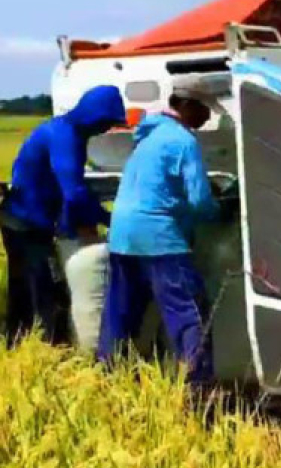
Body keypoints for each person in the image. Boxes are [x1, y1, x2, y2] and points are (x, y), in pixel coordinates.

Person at [96, 78, 225, 386]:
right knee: (190, 314)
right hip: (159, 238)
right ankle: (198, 389)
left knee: (121, 313)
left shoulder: (147, 137)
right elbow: (199, 200)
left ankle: (106, 379)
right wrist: (220, 210)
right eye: (205, 110)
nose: (208, 117)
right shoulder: (183, 141)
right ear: (187, 106)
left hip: (122, 236)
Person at [1, 85, 124, 346]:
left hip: (29, 220)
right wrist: (109, 220)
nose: (107, 129)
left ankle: (20, 338)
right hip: (25, 223)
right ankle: (42, 345)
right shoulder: (63, 136)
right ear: (95, 115)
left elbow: (66, 190)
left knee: (29, 285)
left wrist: (69, 224)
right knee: (39, 289)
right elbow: (74, 192)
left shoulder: (69, 133)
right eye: (107, 122)